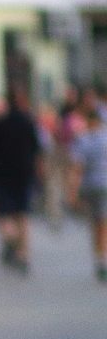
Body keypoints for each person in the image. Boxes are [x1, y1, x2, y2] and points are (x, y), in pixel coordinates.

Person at [0, 87, 42, 273]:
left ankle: (10, 240)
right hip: (24, 173)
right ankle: (23, 253)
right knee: (22, 214)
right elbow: (37, 150)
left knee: (4, 213)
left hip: (2, 175)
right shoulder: (28, 122)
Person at [68, 89, 107, 282]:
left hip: (92, 186)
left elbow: (77, 168)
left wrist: (72, 193)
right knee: (103, 223)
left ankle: (100, 259)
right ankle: (102, 258)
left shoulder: (82, 139)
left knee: (96, 224)